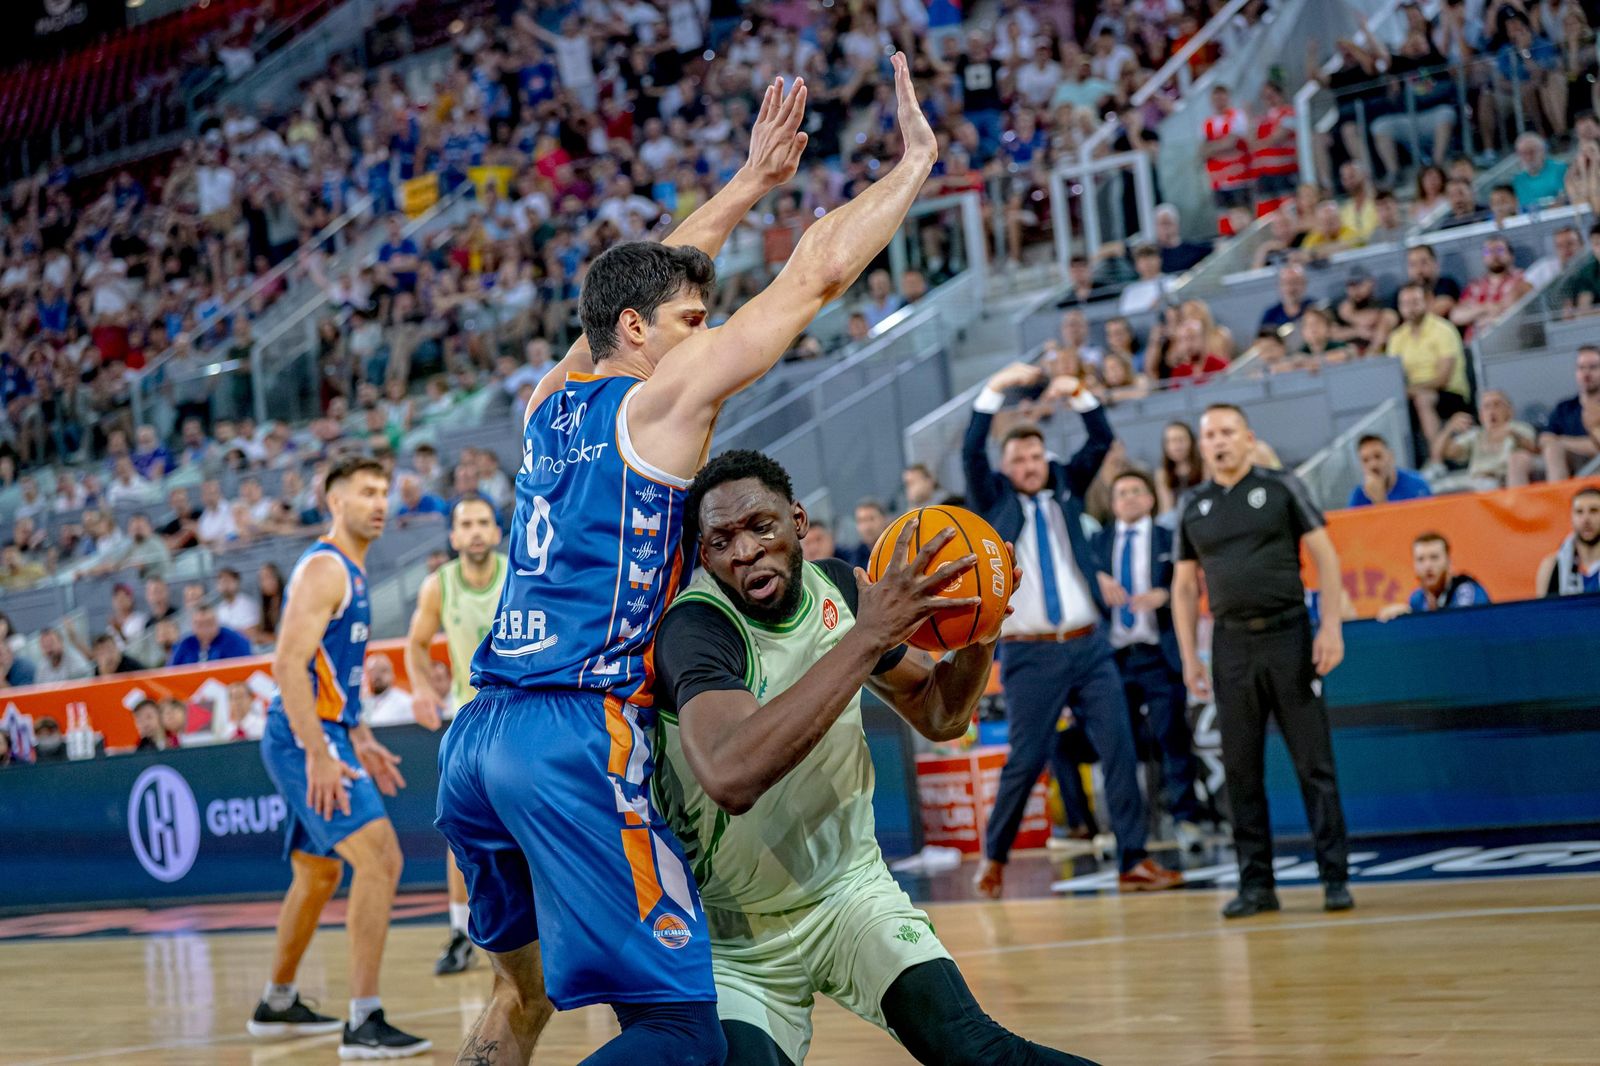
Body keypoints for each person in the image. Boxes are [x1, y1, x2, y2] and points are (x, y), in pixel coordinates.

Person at [436, 64, 937, 1066]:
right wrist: (914, 165)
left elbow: (654, 279)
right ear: (636, 336)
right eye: (690, 325)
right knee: (680, 1034)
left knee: (520, 997)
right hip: (576, 735)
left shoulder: (545, 401)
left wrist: (750, 183)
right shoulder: (656, 404)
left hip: (476, 741)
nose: (704, 338)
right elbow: (814, 277)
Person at [651, 450, 1094, 1066]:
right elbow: (730, 775)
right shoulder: (696, 628)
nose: (745, 551)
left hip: (849, 892)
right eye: (721, 540)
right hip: (735, 936)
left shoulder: (835, 588)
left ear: (799, 521)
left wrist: (980, 632)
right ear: (705, 556)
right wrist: (868, 636)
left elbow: (942, 715)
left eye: (761, 526)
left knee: (976, 1050)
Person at [963, 362, 1181, 899]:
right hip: (1028, 654)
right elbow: (971, 451)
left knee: (1120, 747)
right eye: (1019, 459)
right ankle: (994, 857)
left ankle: (1133, 859)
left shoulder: (1066, 487)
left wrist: (1080, 393)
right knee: (1026, 758)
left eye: (1037, 456)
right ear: (1006, 467)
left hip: (1089, 645)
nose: (1030, 465)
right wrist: (995, 389)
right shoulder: (994, 499)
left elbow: (1100, 438)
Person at [248, 457, 429, 1058]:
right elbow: (286, 666)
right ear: (335, 502)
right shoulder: (327, 568)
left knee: (319, 871)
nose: (380, 502)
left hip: (325, 732)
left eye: (384, 492)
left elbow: (333, 676)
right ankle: (363, 1022)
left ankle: (276, 1003)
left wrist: (356, 736)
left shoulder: (350, 569)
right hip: (304, 737)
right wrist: (321, 754)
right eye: (365, 493)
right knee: (380, 860)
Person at [1173, 404, 1352, 918]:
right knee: (1241, 771)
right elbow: (1184, 587)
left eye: (1228, 432)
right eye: (1210, 434)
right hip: (1229, 645)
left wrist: (1332, 626)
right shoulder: (1194, 505)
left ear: (1249, 439)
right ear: (1202, 445)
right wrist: (1190, 656)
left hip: (1289, 636)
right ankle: (1257, 886)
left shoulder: (1281, 487)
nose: (1219, 441)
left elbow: (1327, 556)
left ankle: (1334, 877)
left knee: (1313, 764)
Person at [402, 494, 507, 977]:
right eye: (467, 523)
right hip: (469, 718)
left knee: (536, 825)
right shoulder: (438, 585)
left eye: (484, 521)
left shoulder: (520, 571)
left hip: (522, 715)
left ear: (498, 530)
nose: (476, 530)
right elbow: (416, 644)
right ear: (453, 536)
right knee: (459, 833)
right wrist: (422, 688)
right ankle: (459, 933)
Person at [1090, 470, 1205, 844]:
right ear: (1112, 502)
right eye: (1121, 492)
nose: (1129, 498)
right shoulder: (1097, 543)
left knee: (1172, 736)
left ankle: (1186, 818)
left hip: (1158, 653)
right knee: (1116, 743)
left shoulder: (1169, 538)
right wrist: (1098, 582)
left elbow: (1191, 588)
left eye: (1137, 491)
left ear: (1151, 498)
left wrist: (1164, 596)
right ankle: (1124, 827)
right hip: (1114, 658)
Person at [1388, 282, 1473, 448]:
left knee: (1423, 398)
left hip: (1450, 393)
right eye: (1405, 304)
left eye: (1415, 302)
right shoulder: (1396, 337)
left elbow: (1443, 378)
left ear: (1427, 301)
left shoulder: (1443, 330)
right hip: (1410, 395)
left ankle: (1436, 457)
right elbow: (1392, 376)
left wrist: (1410, 390)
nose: (1410, 308)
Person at [1378, 532, 1492, 620]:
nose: (1428, 566)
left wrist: (1415, 615)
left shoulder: (1467, 590)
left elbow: (1460, 626)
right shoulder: (1417, 599)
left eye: (1434, 557)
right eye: (1421, 559)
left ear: (1449, 562)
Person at [1538, 345, 1600, 480]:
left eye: (1593, 367)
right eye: (1581, 368)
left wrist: (1561, 441)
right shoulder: (1564, 407)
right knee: (1548, 451)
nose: (1586, 373)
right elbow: (1544, 439)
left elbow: (1597, 445)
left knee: (1555, 447)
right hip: (1569, 461)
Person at [1536, 486, 1600, 595]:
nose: (1586, 519)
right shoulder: (1551, 566)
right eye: (1579, 512)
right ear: (1571, 518)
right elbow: (1543, 611)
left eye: (1594, 511)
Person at [1348, 434, 1433, 507]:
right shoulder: (1358, 496)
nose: (1373, 465)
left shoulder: (1416, 485)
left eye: (1378, 456)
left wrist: (1380, 502)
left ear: (1391, 456)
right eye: (1365, 460)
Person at [167, 603, 254, 666]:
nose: (205, 628)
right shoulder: (185, 644)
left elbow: (246, 664)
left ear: (217, 622)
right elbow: (171, 671)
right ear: (192, 626)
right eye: (200, 624)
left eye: (209, 623)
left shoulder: (234, 640)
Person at [361, 655, 415, 726]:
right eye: (373, 671)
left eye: (383, 671)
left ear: (393, 674)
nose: (377, 676)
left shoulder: (405, 702)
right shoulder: (362, 703)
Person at [842, 498, 890, 569]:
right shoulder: (855, 558)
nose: (867, 527)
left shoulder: (899, 548)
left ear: (884, 519)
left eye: (871, 519)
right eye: (861, 521)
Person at [216, 566, 263, 637]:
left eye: (228, 581)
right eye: (222, 582)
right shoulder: (220, 608)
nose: (225, 585)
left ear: (237, 582)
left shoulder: (248, 604)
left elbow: (252, 632)